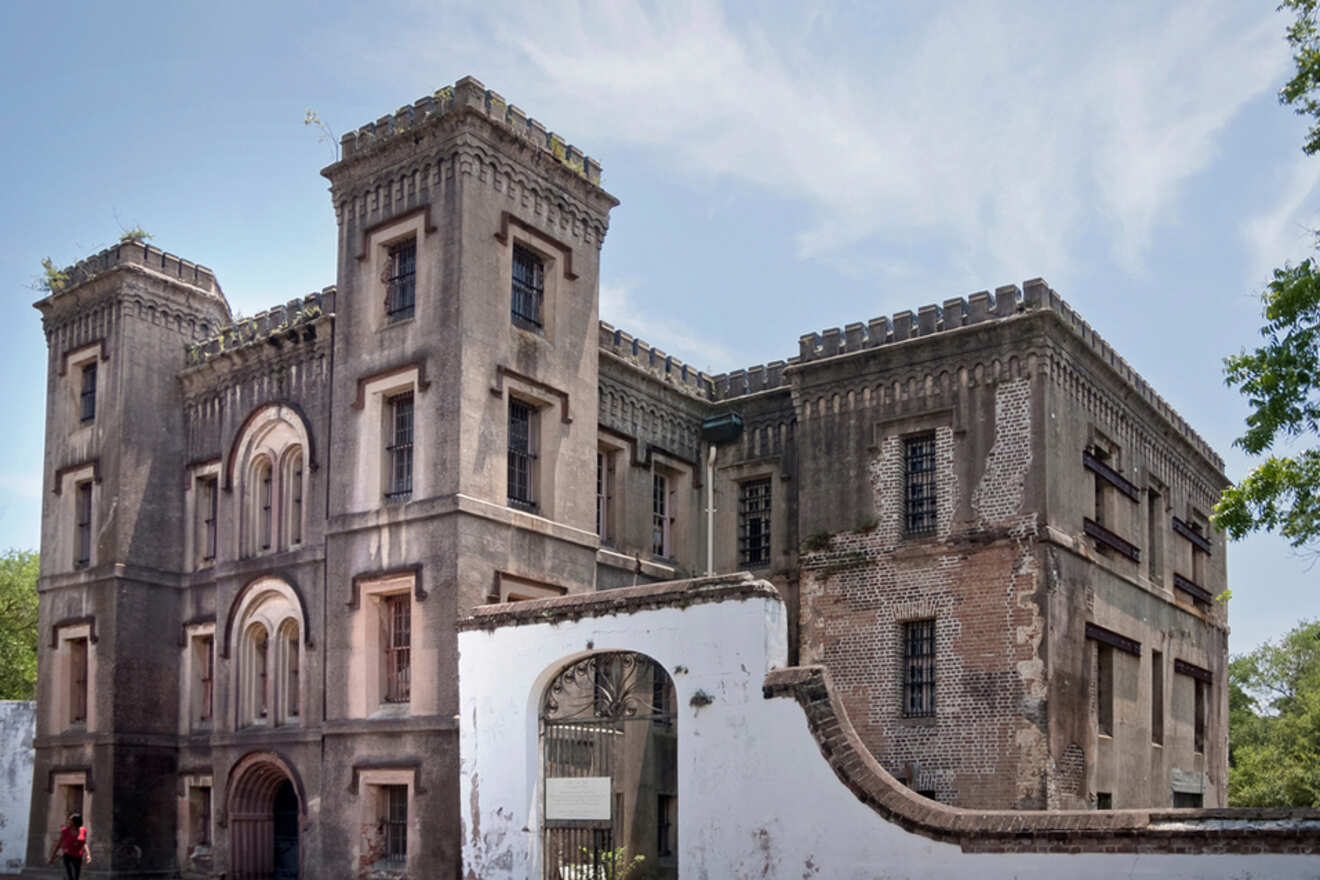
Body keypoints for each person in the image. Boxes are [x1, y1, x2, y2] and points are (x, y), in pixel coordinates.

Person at [48, 812, 91, 880]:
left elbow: (84, 843)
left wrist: (88, 855)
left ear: (75, 822)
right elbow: (59, 844)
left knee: (76, 878)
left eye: (70, 820)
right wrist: (52, 857)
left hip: (78, 857)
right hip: (68, 856)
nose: (69, 822)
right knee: (70, 877)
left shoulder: (83, 830)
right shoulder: (65, 831)